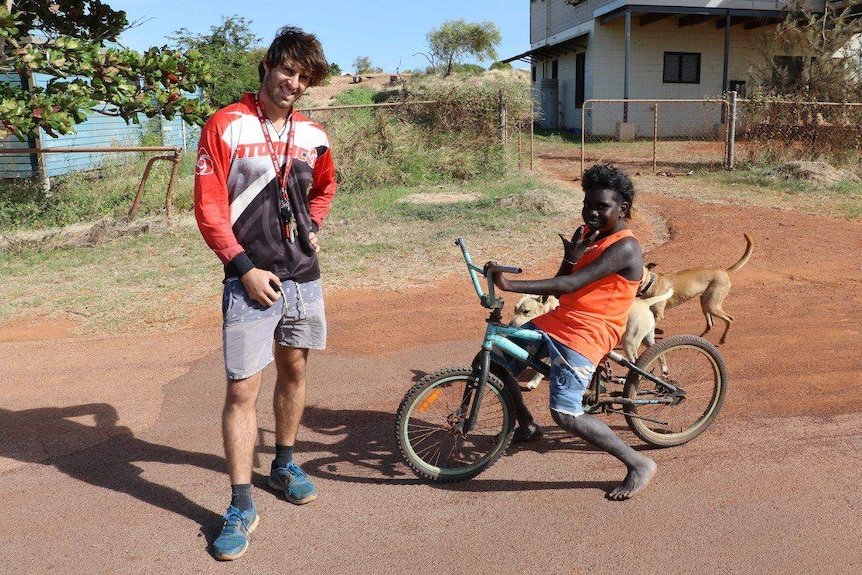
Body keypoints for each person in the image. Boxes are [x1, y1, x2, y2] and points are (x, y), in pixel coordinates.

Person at [194, 26, 336, 560]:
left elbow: (325, 185)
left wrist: (314, 222)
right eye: (287, 71)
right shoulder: (226, 125)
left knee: (295, 370)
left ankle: (283, 463)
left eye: (304, 77)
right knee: (241, 391)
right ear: (267, 66)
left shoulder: (313, 134)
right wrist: (244, 268)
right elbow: (208, 207)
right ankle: (239, 502)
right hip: (249, 279)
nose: (294, 83)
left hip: (302, 274)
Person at [490, 163, 656, 501]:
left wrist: (509, 284)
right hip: (564, 318)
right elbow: (563, 287)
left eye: (601, 206)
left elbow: (573, 283)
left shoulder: (626, 247)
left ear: (622, 209)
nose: (592, 212)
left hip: (592, 330)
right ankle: (525, 425)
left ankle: (638, 463)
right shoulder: (585, 234)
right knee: (496, 360)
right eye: (587, 204)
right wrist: (570, 256)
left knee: (565, 413)